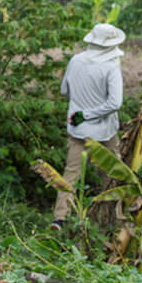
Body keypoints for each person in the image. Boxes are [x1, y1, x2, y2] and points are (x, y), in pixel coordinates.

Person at [52, 23, 125, 230]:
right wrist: (90, 115)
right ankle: (111, 219)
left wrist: (81, 113)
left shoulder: (76, 60)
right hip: (104, 131)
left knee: (71, 174)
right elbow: (115, 103)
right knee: (111, 175)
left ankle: (60, 219)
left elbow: (65, 90)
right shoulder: (111, 67)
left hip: (77, 127)